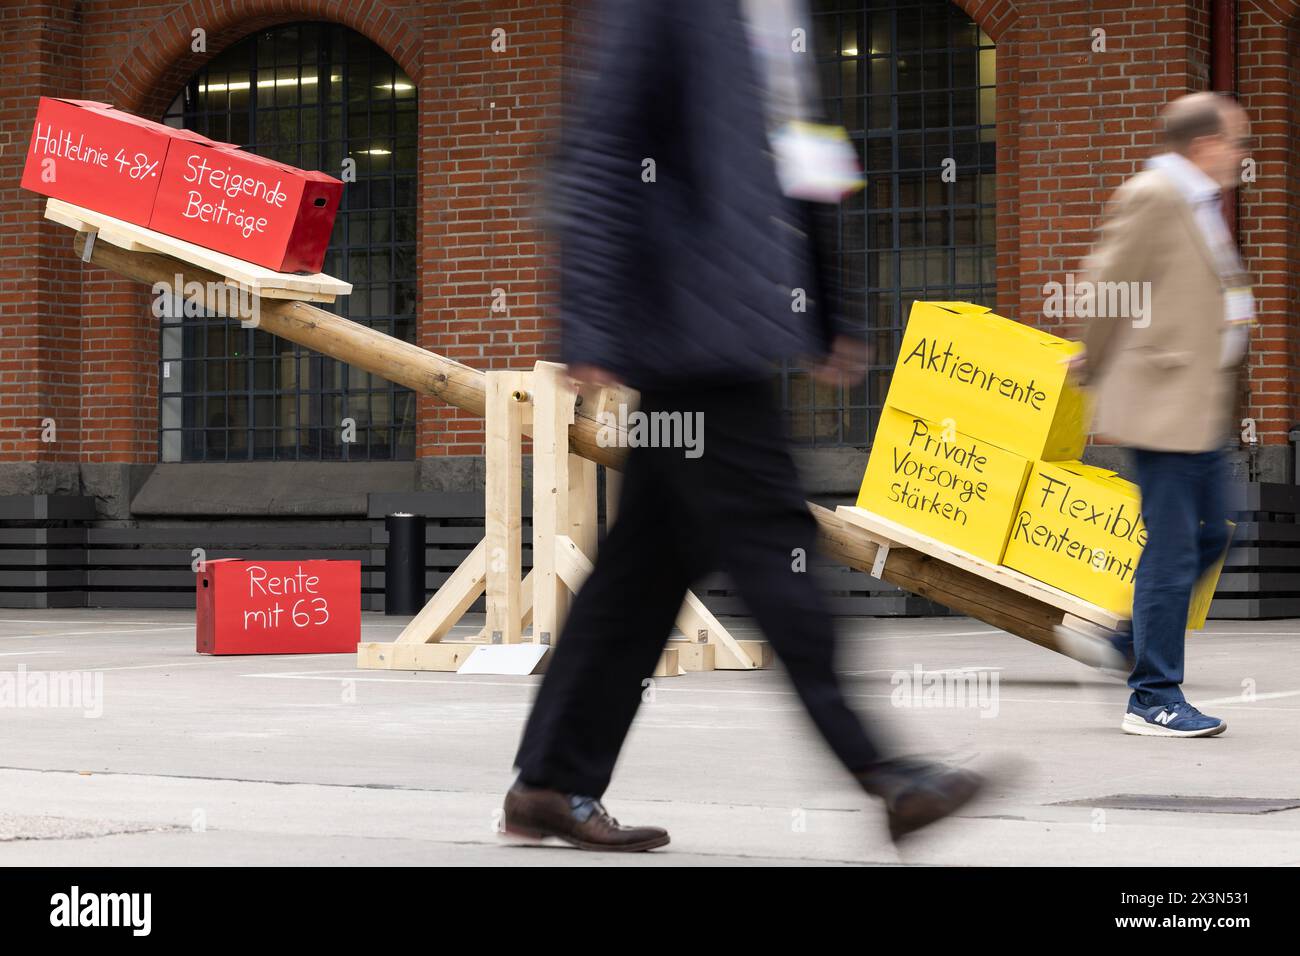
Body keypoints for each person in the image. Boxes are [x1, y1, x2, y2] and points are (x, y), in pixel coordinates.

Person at [501, 0, 988, 851]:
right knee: (775, 544)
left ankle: (549, 783)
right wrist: (587, 324)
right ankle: (886, 773)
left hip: (735, 328)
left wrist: (832, 304)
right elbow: (603, 149)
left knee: (643, 572)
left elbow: (809, 161)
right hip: (686, 329)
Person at [1064, 92, 1250, 738]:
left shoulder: (1199, 204)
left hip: (1196, 406)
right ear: (1204, 144)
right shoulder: (1154, 195)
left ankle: (1121, 639)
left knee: (1216, 533)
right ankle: (1153, 698)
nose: (1241, 154)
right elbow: (1108, 282)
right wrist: (1093, 357)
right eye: (1236, 142)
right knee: (1173, 549)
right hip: (1159, 400)